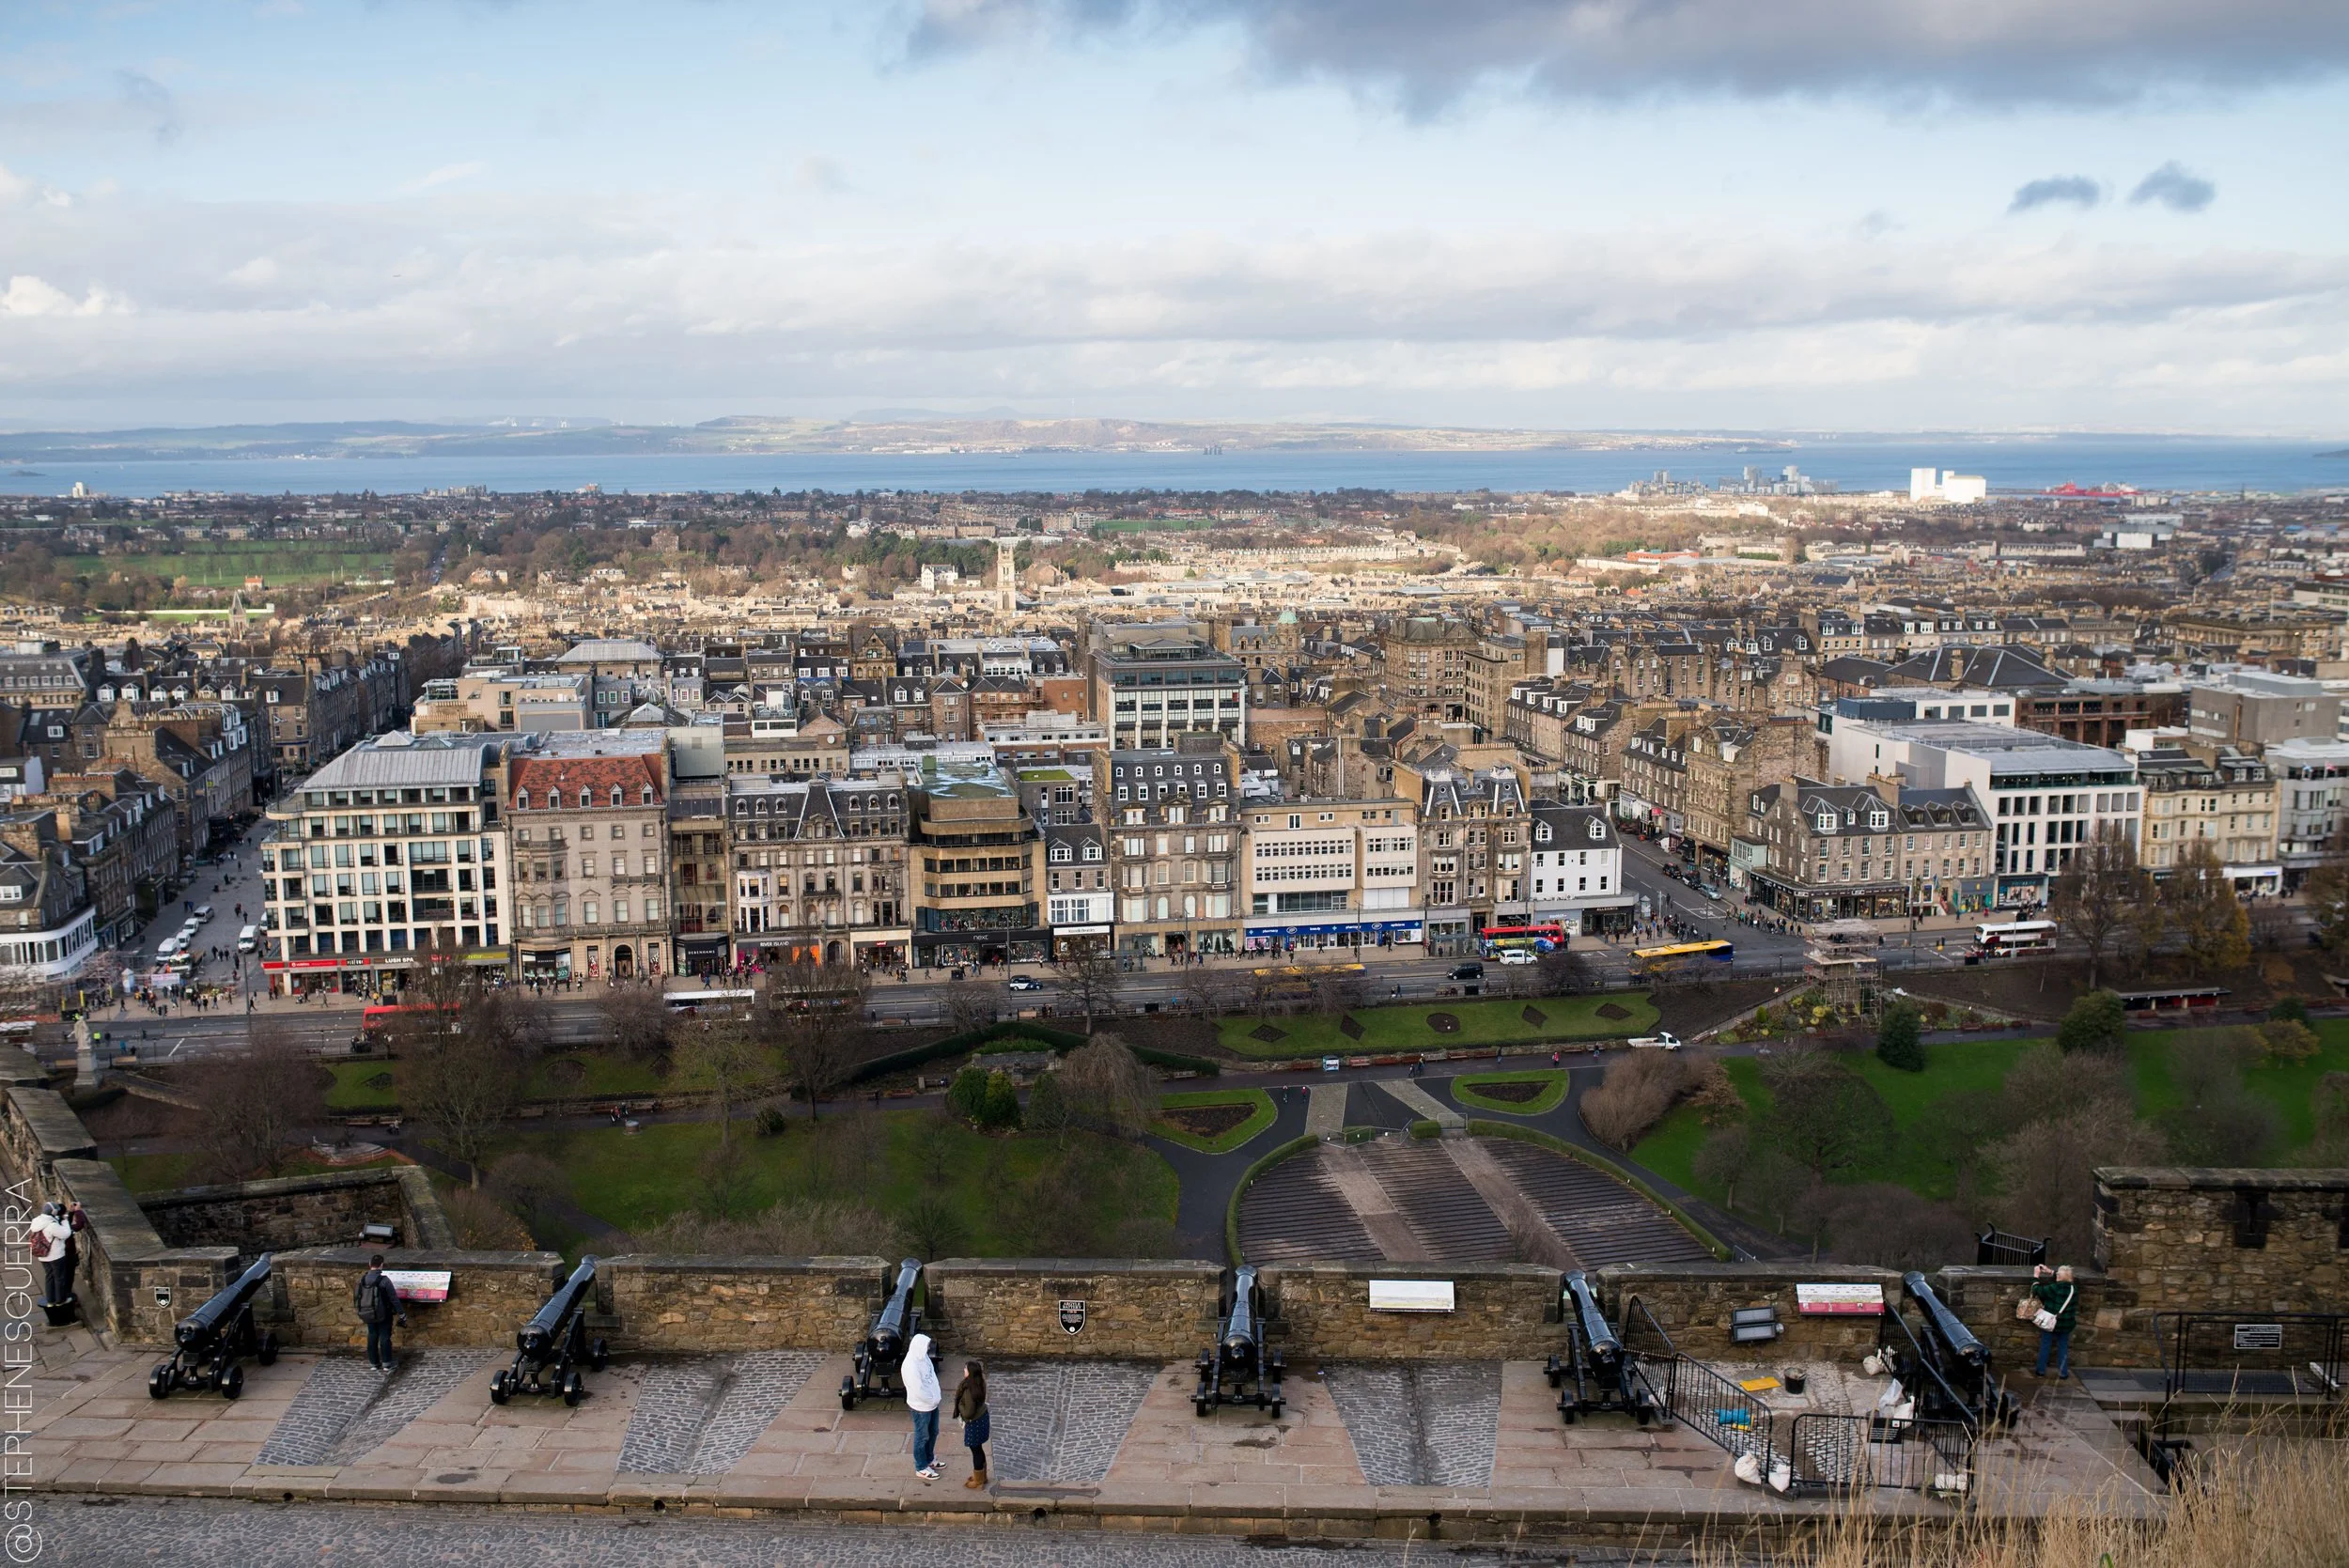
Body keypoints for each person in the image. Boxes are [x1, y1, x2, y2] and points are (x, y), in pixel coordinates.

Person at [352, 1253, 409, 1374]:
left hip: (367, 1312)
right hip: (384, 1313)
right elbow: (394, 1299)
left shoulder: (362, 1279)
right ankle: (387, 1363)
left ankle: (374, 1363)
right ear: (381, 1265)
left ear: (369, 1264)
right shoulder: (384, 1280)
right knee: (384, 1336)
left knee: (372, 1335)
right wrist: (402, 1313)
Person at [903, 1331, 942, 1480]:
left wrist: (936, 1396)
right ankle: (920, 1466)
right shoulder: (910, 1365)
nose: (928, 1348)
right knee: (922, 1436)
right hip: (921, 1407)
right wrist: (931, 1399)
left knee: (933, 1432)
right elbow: (917, 1389)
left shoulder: (923, 1358)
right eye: (926, 1346)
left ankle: (929, 1459)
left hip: (932, 1404)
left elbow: (932, 1376)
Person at [2031, 1264, 2078, 1379]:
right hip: (2066, 1324)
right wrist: (2050, 1272)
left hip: (2050, 1323)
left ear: (2059, 1277)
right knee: (2063, 1347)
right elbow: (2063, 1280)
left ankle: (2040, 1371)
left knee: (2045, 1345)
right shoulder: (2074, 1289)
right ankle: (2063, 1373)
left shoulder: (2053, 1288)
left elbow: (2037, 1290)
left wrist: (2036, 1276)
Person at [954, 1359, 990, 1489]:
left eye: (965, 1369)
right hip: (982, 1418)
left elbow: (968, 1412)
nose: (964, 1370)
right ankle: (982, 1476)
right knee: (979, 1448)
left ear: (970, 1372)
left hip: (974, 1422)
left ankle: (978, 1481)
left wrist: (960, 1405)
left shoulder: (969, 1390)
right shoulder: (980, 1382)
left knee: (976, 1450)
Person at [30, 1203, 71, 1307]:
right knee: (59, 1278)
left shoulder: (36, 1221)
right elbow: (66, 1234)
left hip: (43, 1256)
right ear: (54, 1212)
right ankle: (60, 1301)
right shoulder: (52, 1225)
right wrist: (65, 1220)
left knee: (49, 1277)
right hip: (56, 1256)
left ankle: (50, 1301)